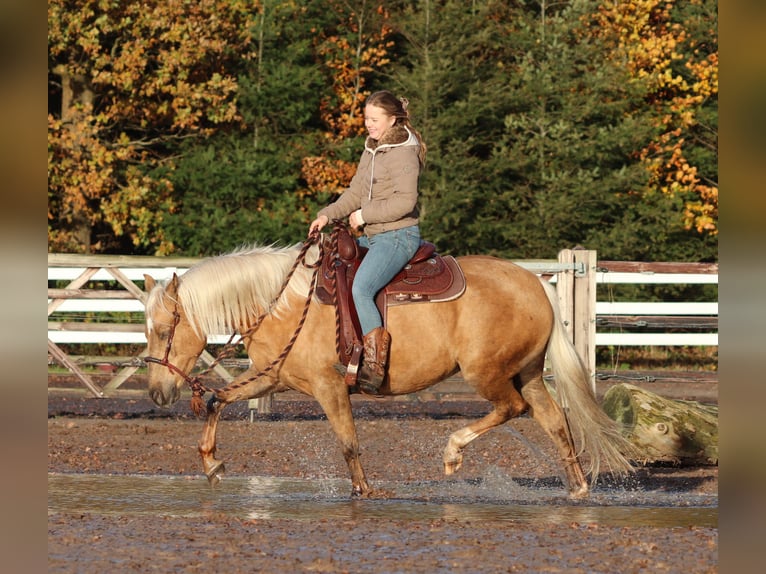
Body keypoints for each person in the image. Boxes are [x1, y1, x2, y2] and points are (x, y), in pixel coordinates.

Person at [308, 90, 427, 395]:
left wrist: (363, 215)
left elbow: (405, 201)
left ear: (392, 119)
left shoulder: (403, 152)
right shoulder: (372, 149)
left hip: (399, 236)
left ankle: (373, 369)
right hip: (374, 236)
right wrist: (326, 215)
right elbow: (354, 193)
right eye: (366, 119)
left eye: (374, 119)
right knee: (338, 280)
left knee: (362, 288)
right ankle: (351, 354)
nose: (368, 125)